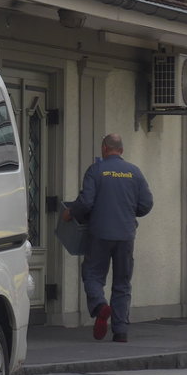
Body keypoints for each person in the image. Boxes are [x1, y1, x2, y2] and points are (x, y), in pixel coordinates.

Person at [62, 133, 153, 342]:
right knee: (122, 282)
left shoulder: (96, 170)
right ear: (121, 150)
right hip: (126, 235)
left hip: (100, 233)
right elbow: (146, 204)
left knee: (92, 274)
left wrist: (70, 213)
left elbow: (86, 202)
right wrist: (129, 212)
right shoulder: (135, 173)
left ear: (104, 148)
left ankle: (100, 306)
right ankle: (120, 331)